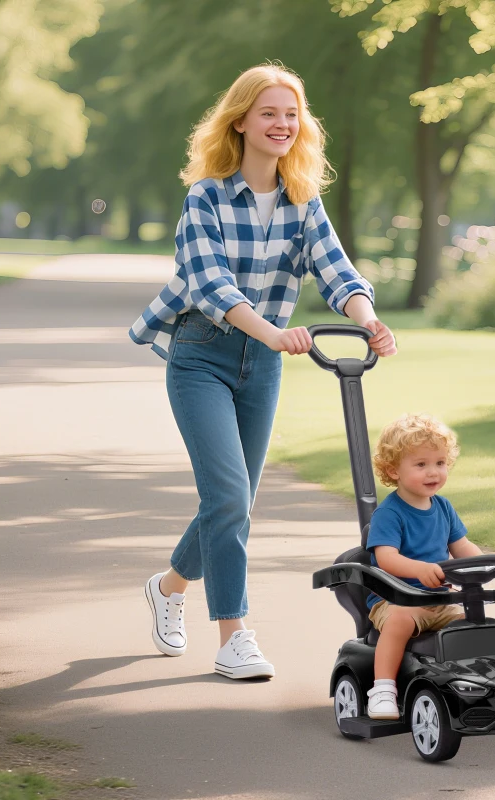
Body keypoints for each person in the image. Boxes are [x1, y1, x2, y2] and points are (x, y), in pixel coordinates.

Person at [129, 63, 397, 680]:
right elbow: (212, 282)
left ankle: (169, 587)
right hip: (202, 355)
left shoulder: (303, 200)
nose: (281, 124)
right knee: (228, 497)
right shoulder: (208, 197)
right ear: (242, 120)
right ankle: (234, 636)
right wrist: (275, 332)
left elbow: (336, 271)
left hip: (263, 366)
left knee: (235, 502)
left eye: (291, 114)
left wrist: (368, 319)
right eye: (269, 113)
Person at [365, 414, 481, 718]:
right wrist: (418, 570)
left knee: (473, 625)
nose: (434, 472)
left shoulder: (443, 507)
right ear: (394, 470)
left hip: (439, 599)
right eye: (421, 465)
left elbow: (463, 548)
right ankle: (383, 689)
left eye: (440, 463)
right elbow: (385, 558)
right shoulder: (389, 513)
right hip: (396, 599)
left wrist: (482, 566)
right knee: (401, 621)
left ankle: (465, 686)